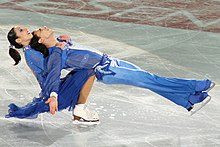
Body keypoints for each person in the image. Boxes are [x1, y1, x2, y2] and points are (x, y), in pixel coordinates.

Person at [29, 26, 215, 115]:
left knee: (151, 82)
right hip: (107, 71)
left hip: (112, 62)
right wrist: (53, 94)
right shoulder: (54, 55)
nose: (43, 27)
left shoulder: (62, 42)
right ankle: (196, 85)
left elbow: (80, 54)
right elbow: (53, 75)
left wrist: (68, 41)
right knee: (151, 79)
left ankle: (188, 100)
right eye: (39, 30)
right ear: (40, 40)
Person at [6, 26, 99, 124]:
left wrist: (61, 41)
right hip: (53, 88)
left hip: (56, 85)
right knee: (90, 71)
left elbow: (49, 48)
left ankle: (79, 110)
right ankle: (80, 110)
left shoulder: (33, 46)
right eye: (21, 31)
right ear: (19, 40)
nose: (26, 29)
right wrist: (53, 95)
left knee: (87, 70)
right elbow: (52, 70)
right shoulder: (31, 53)